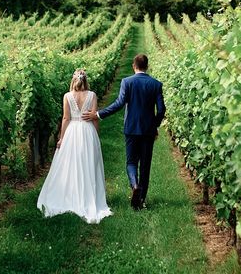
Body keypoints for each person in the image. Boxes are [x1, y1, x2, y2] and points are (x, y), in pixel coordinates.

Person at [82, 54, 166, 210]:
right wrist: (154, 126)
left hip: (131, 129)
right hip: (148, 130)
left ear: (134, 66)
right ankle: (141, 200)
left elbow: (119, 103)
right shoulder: (156, 84)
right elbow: (161, 110)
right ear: (147, 66)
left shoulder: (127, 82)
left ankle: (134, 185)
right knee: (145, 165)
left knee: (131, 162)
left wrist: (98, 114)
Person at [37, 69, 112, 224]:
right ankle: (87, 196)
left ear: (73, 80)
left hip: (72, 131)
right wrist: (96, 136)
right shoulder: (92, 95)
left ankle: (71, 195)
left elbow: (66, 118)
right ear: (85, 80)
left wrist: (61, 138)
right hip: (87, 130)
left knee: (70, 164)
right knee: (88, 164)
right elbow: (94, 118)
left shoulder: (67, 96)